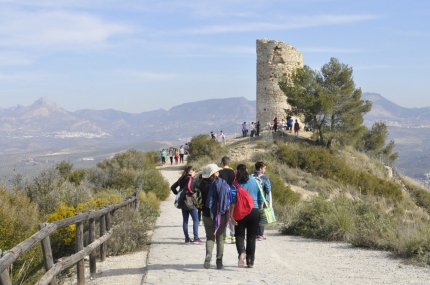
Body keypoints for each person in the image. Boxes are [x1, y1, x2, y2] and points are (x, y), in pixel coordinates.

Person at [230, 164, 263, 268]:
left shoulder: (235, 183)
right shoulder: (255, 181)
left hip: (240, 212)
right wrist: (260, 210)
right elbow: (260, 197)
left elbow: (233, 201)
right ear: (247, 170)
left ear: (237, 171)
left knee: (239, 235)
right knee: (252, 237)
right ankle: (250, 261)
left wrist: (231, 216)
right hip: (254, 210)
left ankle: (242, 252)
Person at [201, 164, 231, 269]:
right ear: (215, 173)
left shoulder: (202, 185)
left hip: (206, 214)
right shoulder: (223, 184)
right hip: (220, 215)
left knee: (209, 237)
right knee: (219, 238)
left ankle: (208, 254)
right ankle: (219, 261)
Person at [172, 166, 203, 244]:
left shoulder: (181, 178)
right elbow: (192, 189)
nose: (195, 174)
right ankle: (196, 238)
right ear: (191, 171)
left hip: (183, 202)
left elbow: (173, 187)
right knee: (195, 220)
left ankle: (187, 239)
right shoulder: (190, 178)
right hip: (190, 202)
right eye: (194, 172)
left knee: (185, 221)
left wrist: (178, 193)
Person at [252, 161, 272, 241]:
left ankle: (252, 233)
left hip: (251, 200)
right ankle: (260, 234)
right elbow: (268, 189)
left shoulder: (250, 176)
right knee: (261, 216)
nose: (265, 170)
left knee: (253, 216)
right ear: (260, 168)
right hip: (262, 199)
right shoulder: (264, 178)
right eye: (264, 168)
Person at [218, 156, 235, 244]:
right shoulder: (233, 172)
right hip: (231, 195)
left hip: (223, 196)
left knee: (223, 217)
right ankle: (233, 236)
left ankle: (225, 236)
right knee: (231, 216)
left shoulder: (220, 172)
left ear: (222, 163)